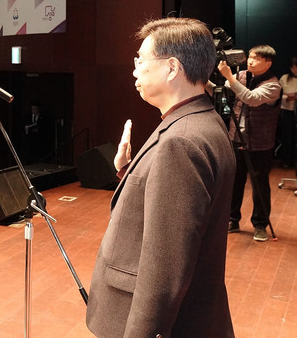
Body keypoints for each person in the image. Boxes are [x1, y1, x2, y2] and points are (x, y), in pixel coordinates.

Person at [86, 17, 235, 337]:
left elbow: (165, 266)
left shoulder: (181, 141)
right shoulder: (202, 120)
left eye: (141, 60)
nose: (135, 70)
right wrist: (127, 169)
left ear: (171, 68)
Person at [219, 44, 282, 241]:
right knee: (234, 182)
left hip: (260, 143)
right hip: (235, 137)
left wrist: (230, 78)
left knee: (259, 184)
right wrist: (204, 82)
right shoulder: (241, 76)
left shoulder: (273, 85)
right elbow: (222, 90)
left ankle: (260, 224)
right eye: (250, 57)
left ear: (268, 63)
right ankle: (232, 220)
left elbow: (251, 98)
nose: (251, 61)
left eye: (256, 58)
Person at [277, 56, 297, 168]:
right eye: (293, 68)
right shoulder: (285, 78)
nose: (295, 70)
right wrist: (288, 97)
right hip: (287, 110)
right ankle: (286, 159)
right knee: (287, 135)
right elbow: (278, 94)